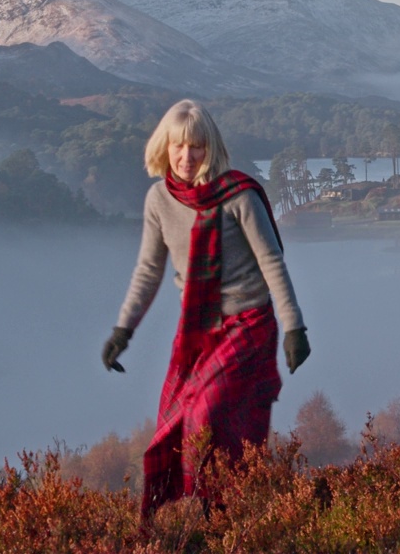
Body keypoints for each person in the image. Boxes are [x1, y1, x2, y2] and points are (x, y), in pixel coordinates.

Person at [100, 99, 311, 520]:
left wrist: (294, 329)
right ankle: (221, 512)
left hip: (248, 324)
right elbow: (148, 270)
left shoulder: (238, 196)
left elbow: (271, 261)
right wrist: (123, 331)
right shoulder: (160, 199)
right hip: (197, 330)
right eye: (178, 146)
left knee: (205, 415)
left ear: (210, 148)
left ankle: (222, 510)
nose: (186, 156)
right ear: (165, 146)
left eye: (196, 146)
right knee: (176, 424)